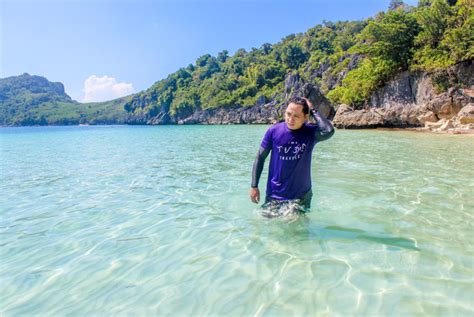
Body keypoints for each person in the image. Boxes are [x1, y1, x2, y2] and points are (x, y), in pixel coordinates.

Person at [249, 96, 334, 217]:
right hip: (274, 195)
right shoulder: (273, 131)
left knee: (297, 233)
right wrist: (254, 186)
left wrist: (313, 109)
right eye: (288, 114)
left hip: (300, 197)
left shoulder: (310, 133)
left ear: (305, 117)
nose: (290, 119)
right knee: (268, 231)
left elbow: (329, 131)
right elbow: (260, 157)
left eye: (296, 116)